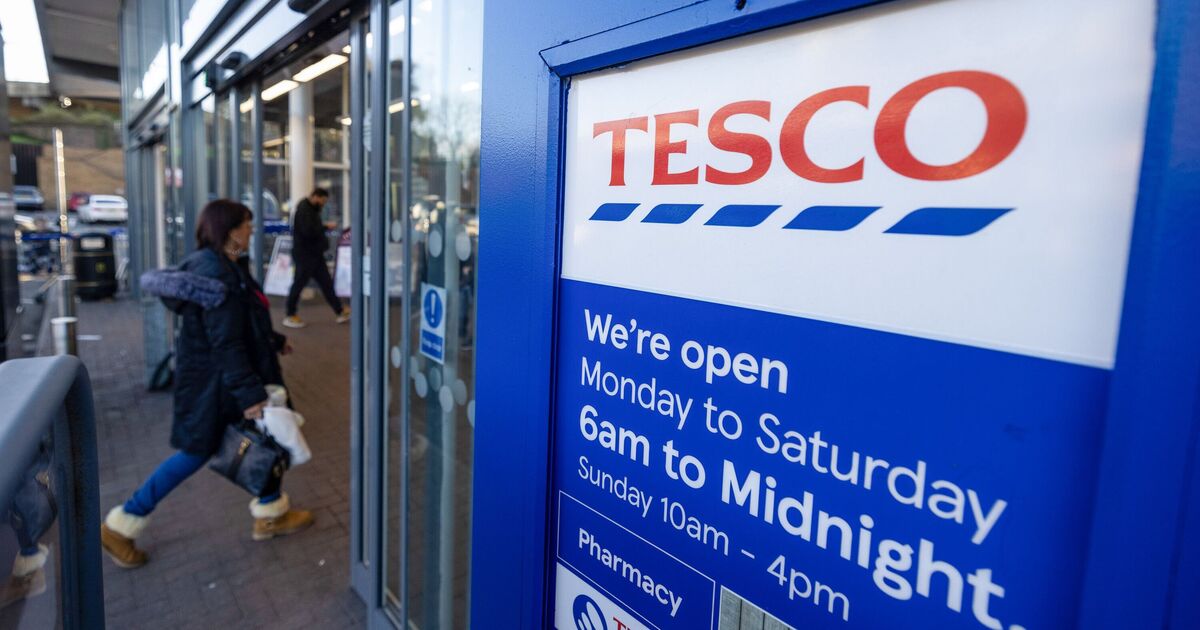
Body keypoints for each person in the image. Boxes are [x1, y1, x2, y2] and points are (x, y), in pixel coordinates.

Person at [100, 199, 314, 569]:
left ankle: (271, 513)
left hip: (217, 381)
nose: (251, 230)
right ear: (229, 230)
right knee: (198, 451)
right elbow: (225, 342)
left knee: (265, 440)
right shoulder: (218, 275)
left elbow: (241, 324)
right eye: (246, 224)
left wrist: (274, 341)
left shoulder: (223, 264)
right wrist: (250, 395)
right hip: (218, 387)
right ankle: (122, 525)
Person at [283, 188, 348, 328]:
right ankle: (290, 314)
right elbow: (309, 231)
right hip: (306, 255)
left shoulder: (310, 210)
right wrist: (324, 227)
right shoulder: (305, 210)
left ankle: (340, 311)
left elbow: (311, 228)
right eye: (322, 201)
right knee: (299, 284)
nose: (323, 204)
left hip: (314, 254)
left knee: (326, 283)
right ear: (315, 197)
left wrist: (322, 227)